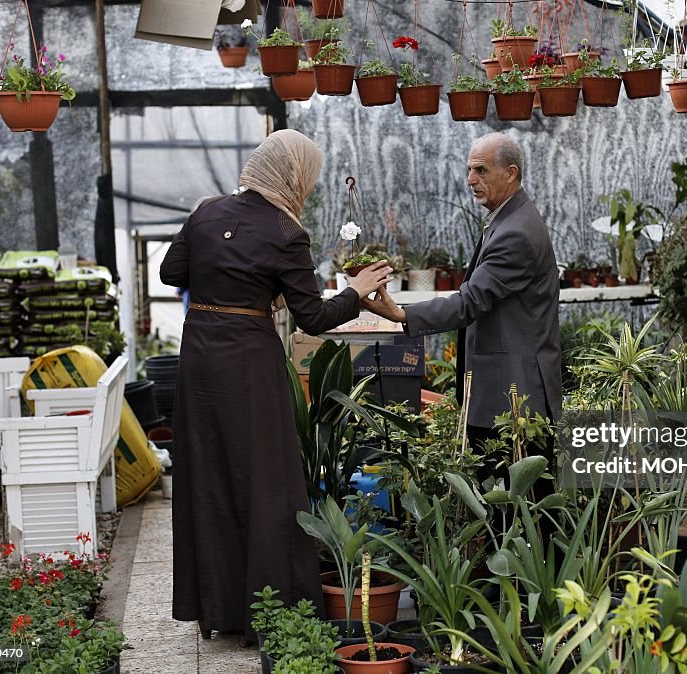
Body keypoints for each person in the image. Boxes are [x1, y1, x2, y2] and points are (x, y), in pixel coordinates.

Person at [159, 130, 392, 643]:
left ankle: (216, 607)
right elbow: (313, 317)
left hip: (198, 357)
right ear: (294, 176)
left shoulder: (206, 211)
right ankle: (269, 614)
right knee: (265, 479)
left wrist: (226, 271)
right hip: (248, 361)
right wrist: (355, 291)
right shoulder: (287, 231)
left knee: (208, 474)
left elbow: (170, 271)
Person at [362, 132, 561, 451]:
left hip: (513, 401)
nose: (470, 179)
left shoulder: (516, 233)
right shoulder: (509, 219)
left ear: (510, 173)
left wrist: (402, 314)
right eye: (469, 169)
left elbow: (470, 302)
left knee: (512, 499)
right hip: (507, 397)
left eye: (481, 170)